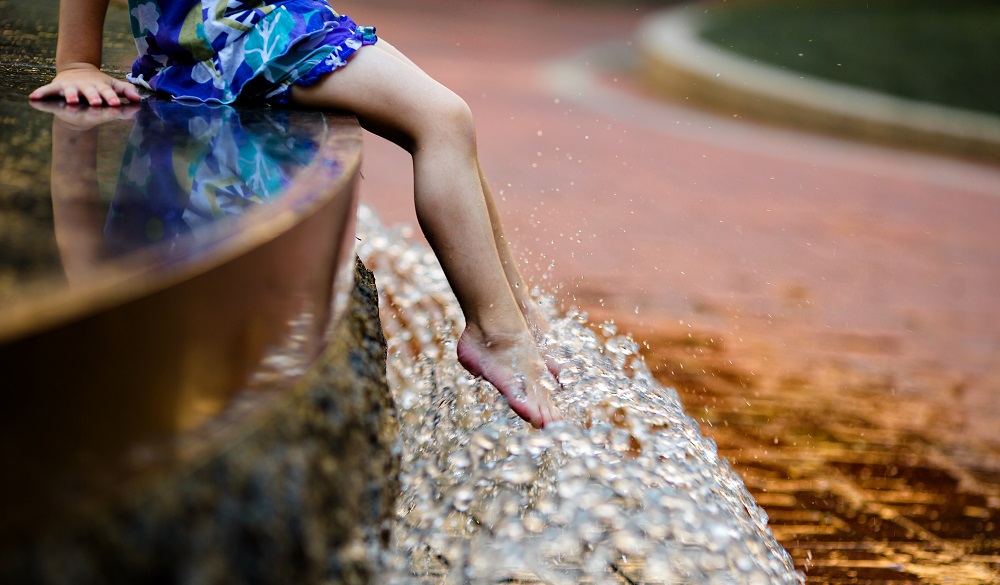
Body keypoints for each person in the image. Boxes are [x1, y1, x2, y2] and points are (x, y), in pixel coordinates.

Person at [30, 0, 561, 428]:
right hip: (232, 42)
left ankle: (515, 311)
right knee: (443, 118)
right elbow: (83, 262)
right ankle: (496, 334)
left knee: (452, 121)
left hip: (275, 21)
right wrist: (76, 61)